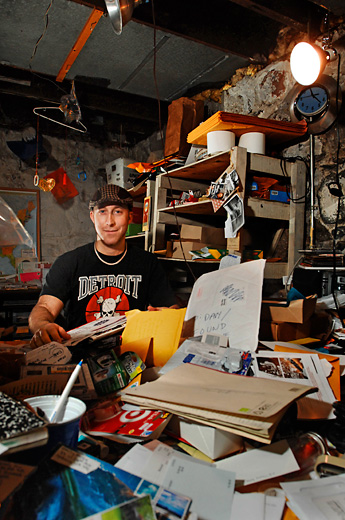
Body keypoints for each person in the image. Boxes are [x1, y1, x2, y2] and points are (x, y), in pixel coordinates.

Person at [29, 184, 178, 348]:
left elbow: (170, 308)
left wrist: (168, 317)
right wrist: (43, 326)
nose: (110, 221)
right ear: (92, 217)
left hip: (131, 353)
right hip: (80, 356)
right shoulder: (68, 263)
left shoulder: (148, 263)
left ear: (130, 217)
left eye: (118, 212)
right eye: (102, 212)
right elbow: (44, 308)